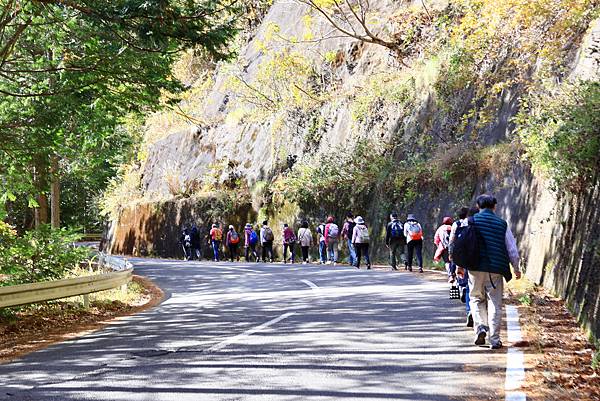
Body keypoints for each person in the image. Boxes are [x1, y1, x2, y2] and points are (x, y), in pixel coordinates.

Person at [470, 194, 521, 349]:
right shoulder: (502, 224)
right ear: (494, 206)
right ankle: (494, 339)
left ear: (478, 207)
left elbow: (462, 245)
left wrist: (459, 266)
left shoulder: (471, 221)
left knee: (476, 299)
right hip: (495, 269)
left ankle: (480, 327)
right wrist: (516, 268)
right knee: (494, 303)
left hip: (475, 267)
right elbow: (512, 249)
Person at [449, 207, 474, 327]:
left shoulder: (456, 224)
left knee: (464, 278)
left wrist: (450, 253)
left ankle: (461, 286)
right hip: (475, 255)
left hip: (460, 254)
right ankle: (473, 311)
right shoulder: (473, 223)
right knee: (473, 284)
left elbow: (452, 240)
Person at [434, 216, 454, 281]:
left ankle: (450, 276)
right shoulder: (453, 227)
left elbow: (436, 239)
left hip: (444, 248)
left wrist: (439, 247)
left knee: (447, 262)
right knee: (454, 261)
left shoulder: (440, 228)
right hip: (454, 247)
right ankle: (455, 274)